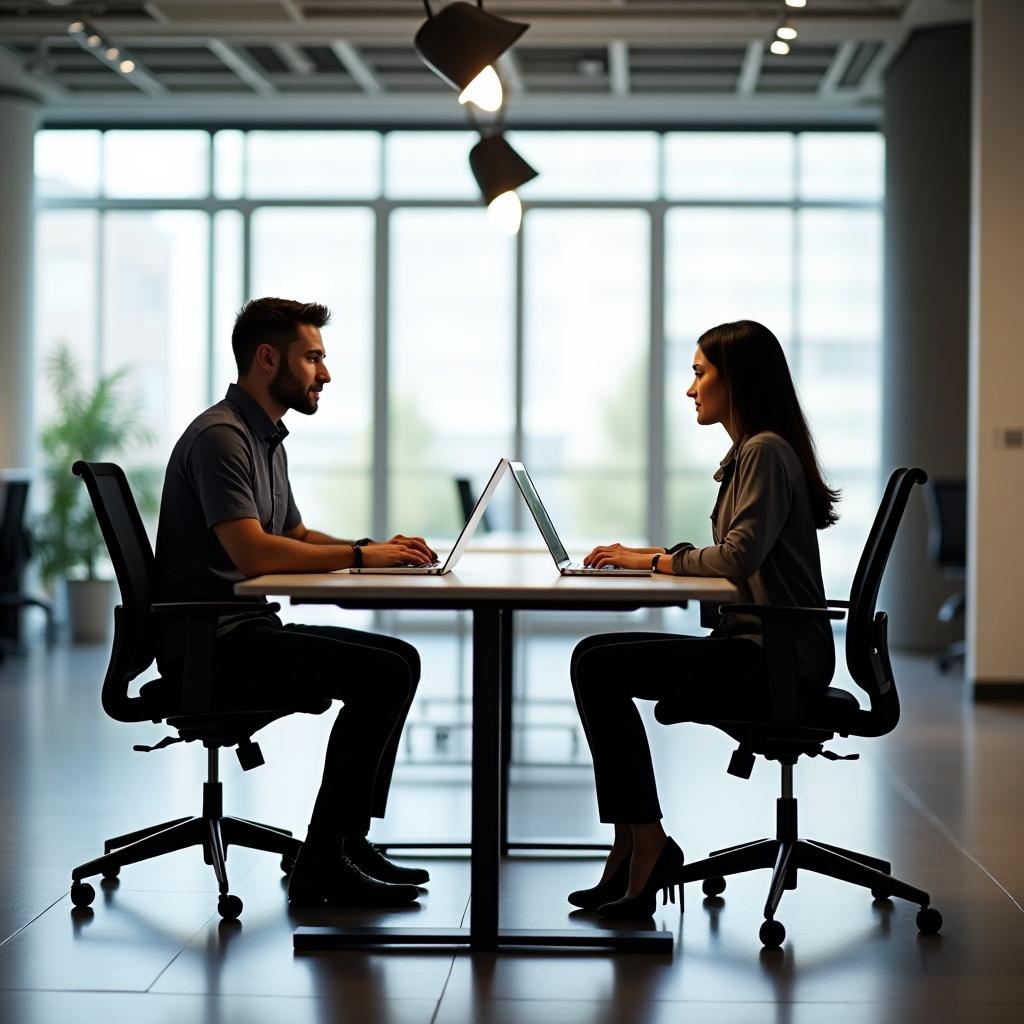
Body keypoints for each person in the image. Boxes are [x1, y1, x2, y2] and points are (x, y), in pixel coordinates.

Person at [154, 296, 439, 909]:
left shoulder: (263, 437)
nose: (325, 374)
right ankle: (324, 860)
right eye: (313, 358)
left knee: (401, 660)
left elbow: (296, 535)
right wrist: (363, 560)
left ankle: (345, 841)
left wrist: (370, 546)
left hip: (239, 631)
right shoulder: (221, 439)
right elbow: (256, 553)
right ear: (266, 359)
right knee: (385, 671)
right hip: (211, 647)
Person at [568, 320, 839, 918]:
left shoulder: (765, 450)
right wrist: (651, 558)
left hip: (775, 659)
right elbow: (738, 554)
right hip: (768, 647)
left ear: (734, 379)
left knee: (598, 666)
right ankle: (632, 845)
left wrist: (660, 560)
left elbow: (738, 556)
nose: (690, 389)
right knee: (594, 659)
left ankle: (644, 845)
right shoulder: (756, 451)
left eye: (699, 373)